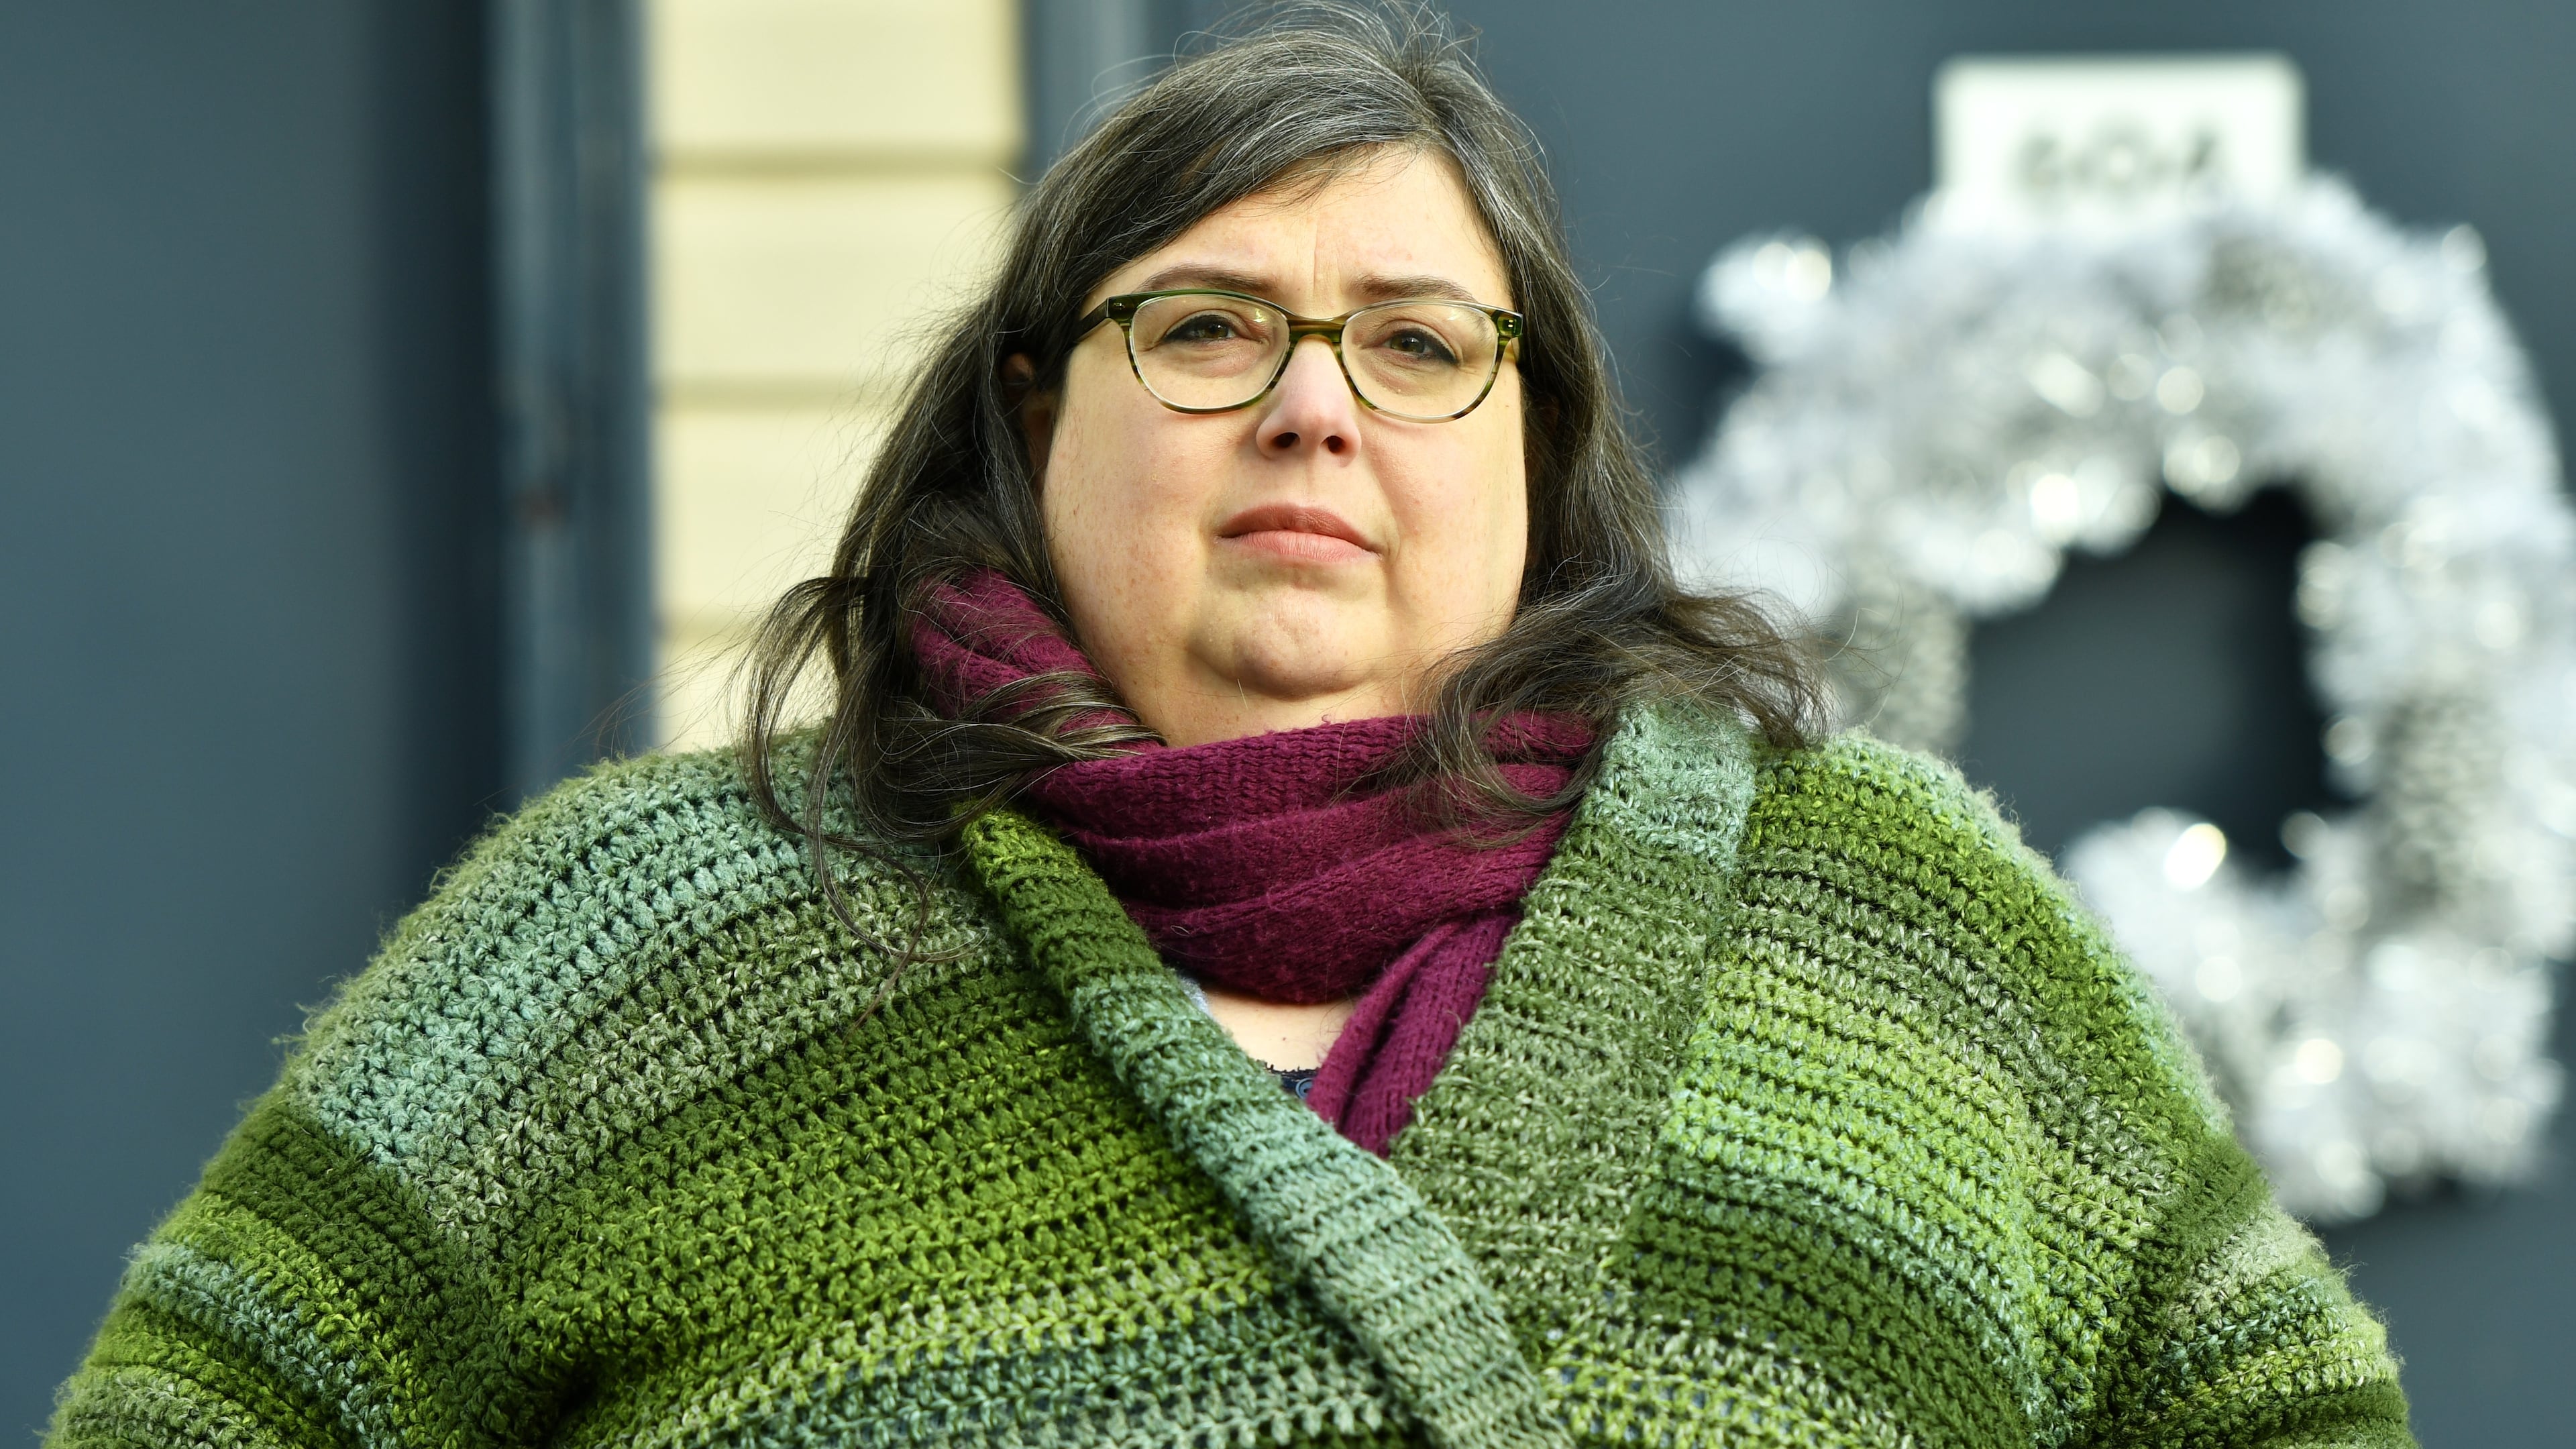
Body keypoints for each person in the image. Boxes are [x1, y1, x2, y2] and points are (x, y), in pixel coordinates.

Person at [50, 7, 2410, 1447]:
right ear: (1030, 408)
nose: (1313, 410)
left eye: (1417, 343)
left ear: (1536, 444)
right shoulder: (644, 937)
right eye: (1205, 328)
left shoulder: (1899, 923)